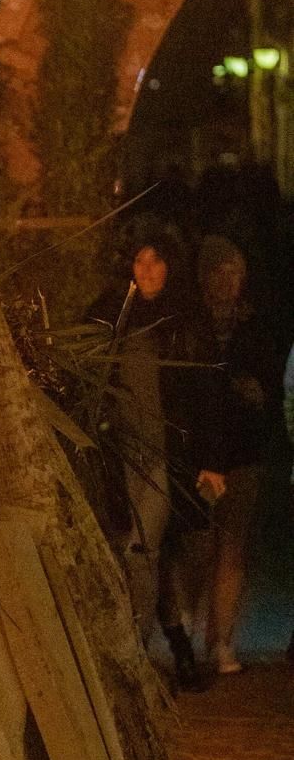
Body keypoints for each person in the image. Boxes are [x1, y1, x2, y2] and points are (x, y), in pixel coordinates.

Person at [89, 223, 225, 689]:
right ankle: (154, 648)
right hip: (119, 453)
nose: (147, 270)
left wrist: (210, 460)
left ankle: (134, 653)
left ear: (170, 267)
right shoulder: (112, 315)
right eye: (140, 261)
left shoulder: (185, 322)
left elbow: (206, 394)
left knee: (143, 550)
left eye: (156, 261)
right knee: (138, 550)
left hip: (165, 456)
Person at [192, 235, 283, 674]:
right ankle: (191, 631)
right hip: (201, 450)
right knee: (199, 545)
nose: (228, 281)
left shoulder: (255, 327)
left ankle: (222, 642)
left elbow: (271, 383)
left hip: (244, 450)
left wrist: (258, 394)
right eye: (220, 272)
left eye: (235, 272)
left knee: (232, 546)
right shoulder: (193, 327)